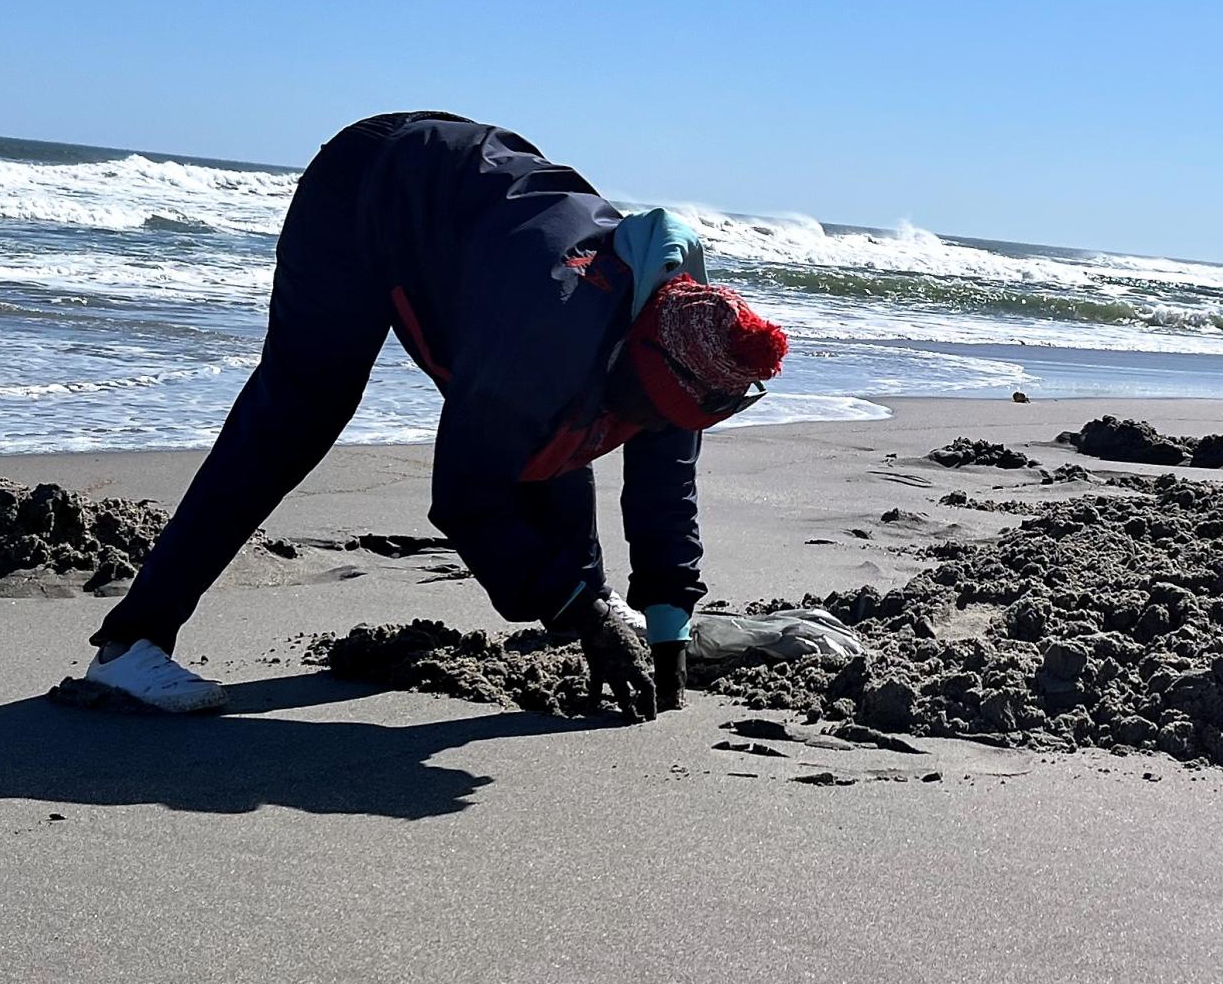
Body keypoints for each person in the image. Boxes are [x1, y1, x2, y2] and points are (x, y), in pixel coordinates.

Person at [79, 112, 789, 717]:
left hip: (471, 213)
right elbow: (465, 497)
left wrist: (666, 628)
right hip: (365, 192)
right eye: (639, 409)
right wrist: (579, 608)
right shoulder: (543, 330)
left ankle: (588, 603)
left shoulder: (694, 346)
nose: (640, 428)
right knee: (298, 412)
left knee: (565, 431)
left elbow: (656, 478)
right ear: (632, 346)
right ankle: (130, 643)